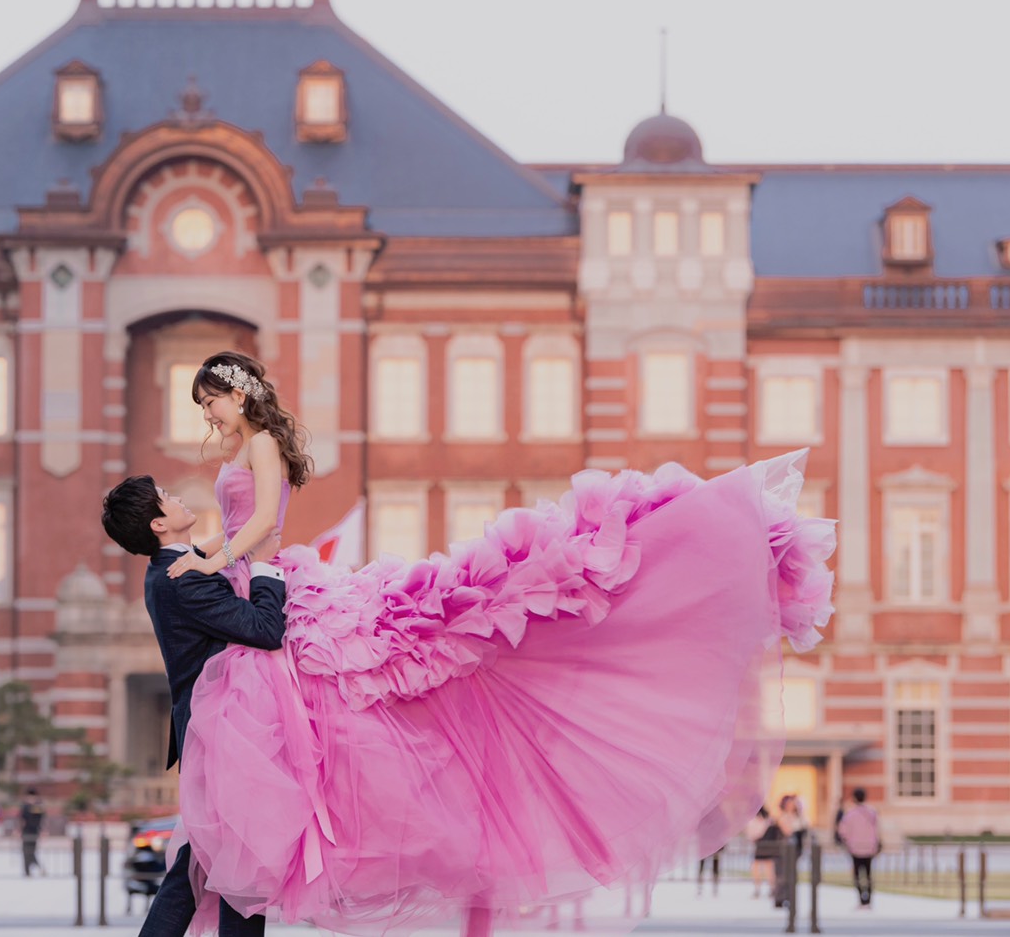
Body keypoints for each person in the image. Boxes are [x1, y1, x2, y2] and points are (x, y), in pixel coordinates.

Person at [142, 352, 837, 936]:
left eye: (210, 403)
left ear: (237, 393)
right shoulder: (249, 448)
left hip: (262, 581)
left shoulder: (259, 445)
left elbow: (264, 517)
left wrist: (212, 557)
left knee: (374, 679)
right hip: (255, 587)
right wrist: (213, 555)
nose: (209, 418)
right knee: (327, 717)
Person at [101, 471, 288, 937]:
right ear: (159, 525)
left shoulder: (175, 567)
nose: (177, 496)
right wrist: (266, 567)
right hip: (222, 731)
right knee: (234, 860)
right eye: (166, 497)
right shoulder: (181, 579)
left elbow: (218, 549)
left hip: (210, 728)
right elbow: (266, 630)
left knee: (207, 861)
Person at [836, 787, 881, 909]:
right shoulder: (871, 812)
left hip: (855, 848)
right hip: (869, 847)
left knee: (857, 875)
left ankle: (862, 900)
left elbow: (843, 831)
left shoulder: (850, 814)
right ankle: (869, 900)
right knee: (868, 874)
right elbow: (876, 830)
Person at [749, 806, 783, 899]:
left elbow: (753, 835)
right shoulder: (769, 820)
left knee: (760, 867)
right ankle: (770, 888)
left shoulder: (757, 821)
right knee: (768, 867)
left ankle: (760, 888)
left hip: (761, 846)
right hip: (767, 846)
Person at [19, 788, 46, 877]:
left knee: (31, 852)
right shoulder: (25, 807)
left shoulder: (37, 807)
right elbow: (21, 819)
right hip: (25, 832)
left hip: (34, 832)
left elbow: (40, 819)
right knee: (25, 851)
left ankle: (38, 867)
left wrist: (42, 830)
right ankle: (27, 871)